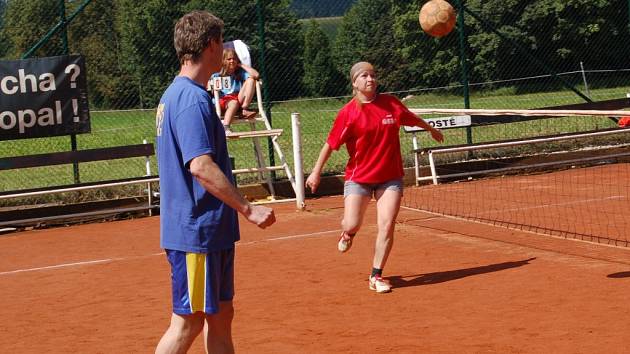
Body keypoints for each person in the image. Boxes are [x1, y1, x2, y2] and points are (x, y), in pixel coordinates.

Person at [155, 11, 275, 353]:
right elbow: (201, 167)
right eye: (221, 42)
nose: (224, 51)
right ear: (210, 45)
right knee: (188, 322)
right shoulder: (190, 99)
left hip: (210, 231)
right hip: (197, 234)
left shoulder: (182, 95)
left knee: (222, 314)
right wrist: (248, 209)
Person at [305, 61, 444, 293]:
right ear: (354, 82)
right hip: (359, 177)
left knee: (387, 225)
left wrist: (430, 129)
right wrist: (316, 172)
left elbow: (411, 117)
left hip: (390, 177)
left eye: (372, 75)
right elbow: (330, 145)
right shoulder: (348, 113)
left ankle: (376, 275)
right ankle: (348, 232)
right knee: (352, 222)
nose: (370, 79)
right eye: (364, 76)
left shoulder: (390, 103)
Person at [210, 48, 260, 135]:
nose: (232, 61)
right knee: (233, 103)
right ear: (223, 61)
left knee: (251, 80)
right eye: (229, 59)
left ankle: (244, 109)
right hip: (223, 100)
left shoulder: (240, 72)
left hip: (237, 99)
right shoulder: (217, 74)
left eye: (234, 58)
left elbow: (256, 75)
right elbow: (212, 91)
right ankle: (225, 127)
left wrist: (241, 65)